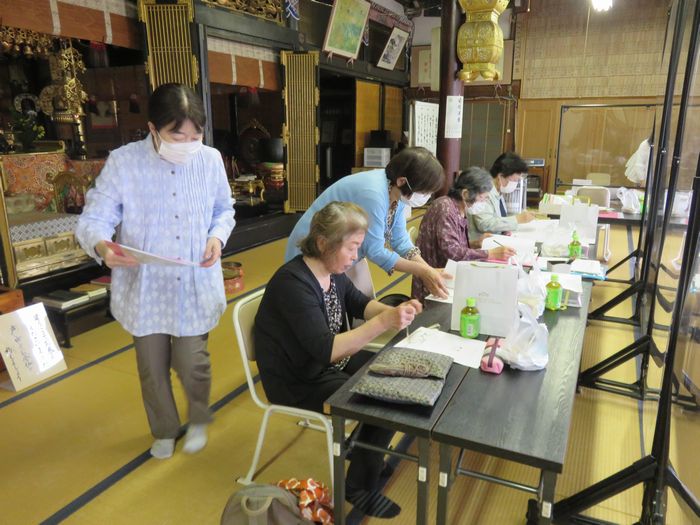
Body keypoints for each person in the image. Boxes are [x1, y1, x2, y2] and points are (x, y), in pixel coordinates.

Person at [76, 83, 235, 460]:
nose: (188, 144)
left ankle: (198, 418)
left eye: (195, 136)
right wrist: (103, 246)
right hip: (144, 284)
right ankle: (164, 429)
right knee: (151, 366)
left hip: (193, 280)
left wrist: (216, 237)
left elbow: (223, 210)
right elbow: (95, 217)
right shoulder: (124, 162)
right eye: (177, 136)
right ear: (152, 128)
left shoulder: (210, 159)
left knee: (193, 362)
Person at [256, 201, 422, 519]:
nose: (355, 256)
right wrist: (383, 323)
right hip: (298, 380)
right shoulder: (294, 283)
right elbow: (327, 349)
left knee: (395, 378)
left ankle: (366, 452)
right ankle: (358, 484)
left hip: (328, 365)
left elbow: (360, 303)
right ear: (323, 243)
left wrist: (395, 312)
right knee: (379, 400)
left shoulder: (332, 272)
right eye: (352, 247)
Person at [285, 147, 449, 298]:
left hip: (344, 251)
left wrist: (427, 270)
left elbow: (400, 240)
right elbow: (375, 251)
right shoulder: (373, 194)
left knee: (361, 304)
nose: (426, 196)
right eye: (424, 191)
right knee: (327, 306)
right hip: (316, 249)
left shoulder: (395, 191)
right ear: (401, 181)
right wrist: (422, 271)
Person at [412, 167, 517, 302]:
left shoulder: (459, 207)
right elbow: (452, 252)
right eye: (482, 198)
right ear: (466, 194)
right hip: (434, 283)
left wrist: (475, 243)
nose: (484, 203)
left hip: (448, 275)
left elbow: (451, 243)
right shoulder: (445, 209)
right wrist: (490, 254)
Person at [467, 151, 536, 241]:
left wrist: (505, 229)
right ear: (500, 177)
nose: (515, 184)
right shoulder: (484, 191)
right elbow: (484, 224)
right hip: (481, 243)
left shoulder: (498, 191)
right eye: (514, 180)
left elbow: (498, 218)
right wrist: (517, 219)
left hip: (495, 240)